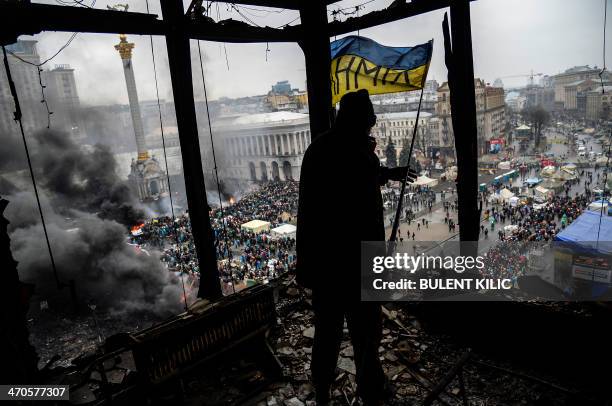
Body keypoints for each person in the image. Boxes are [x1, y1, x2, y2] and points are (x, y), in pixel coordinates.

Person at [296, 89, 415, 405]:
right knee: (366, 334)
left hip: (325, 267)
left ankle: (322, 392)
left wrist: (388, 173)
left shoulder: (320, 148)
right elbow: (359, 186)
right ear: (361, 121)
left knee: (327, 335)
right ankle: (371, 389)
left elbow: (355, 179)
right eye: (369, 121)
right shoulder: (358, 152)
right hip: (354, 265)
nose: (371, 127)